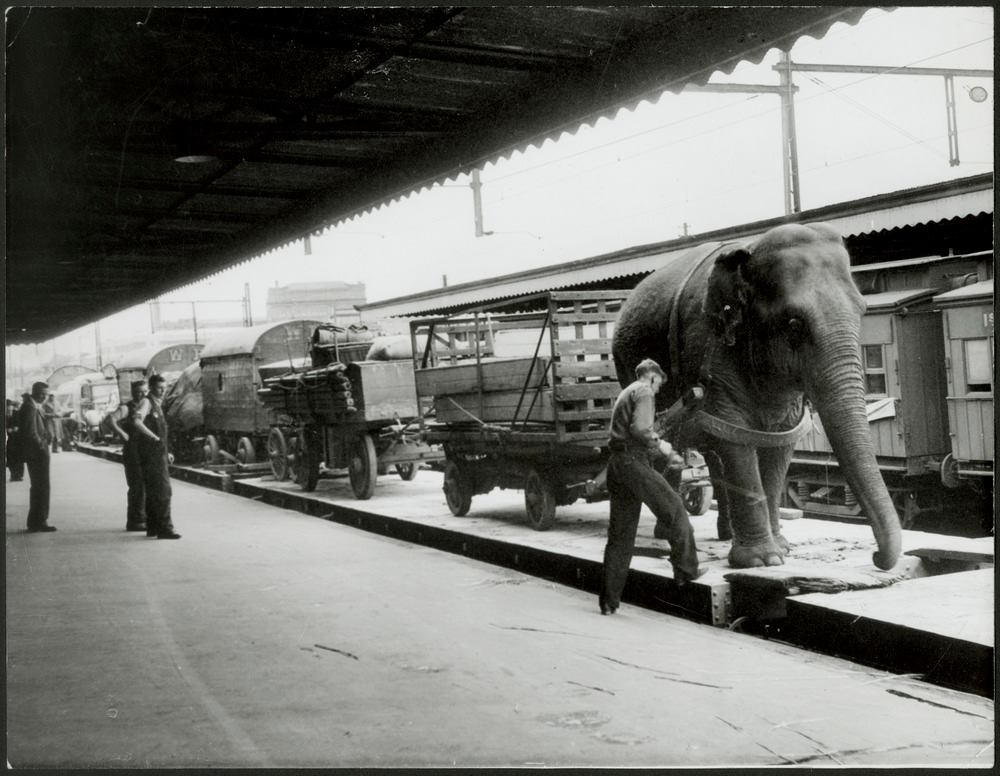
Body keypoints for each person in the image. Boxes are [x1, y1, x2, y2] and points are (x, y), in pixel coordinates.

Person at [599, 358, 702, 615]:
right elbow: (641, 429)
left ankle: (609, 602)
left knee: (620, 536)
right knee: (675, 510)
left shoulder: (626, 392)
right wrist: (666, 449)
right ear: (653, 377)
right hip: (634, 463)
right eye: (658, 386)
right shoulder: (644, 390)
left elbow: (630, 432)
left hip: (618, 465)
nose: (657, 391)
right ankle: (686, 572)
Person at [133, 374, 180, 540]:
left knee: (154, 490)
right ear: (151, 387)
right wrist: (153, 437)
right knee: (163, 490)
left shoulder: (157, 404)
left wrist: (167, 451)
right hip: (152, 452)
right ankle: (165, 529)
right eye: (160, 388)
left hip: (158, 451)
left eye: (164, 387)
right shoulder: (147, 402)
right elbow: (137, 422)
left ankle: (152, 526)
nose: (163, 391)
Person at [106, 380, 148, 532]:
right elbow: (110, 419)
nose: (140, 394)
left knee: (144, 484)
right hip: (133, 450)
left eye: (143, 391)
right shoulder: (126, 407)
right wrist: (122, 433)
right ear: (132, 392)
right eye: (137, 391)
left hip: (145, 449)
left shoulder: (146, 405)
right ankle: (136, 520)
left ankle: (143, 517)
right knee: (137, 485)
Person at [15, 382, 56, 532]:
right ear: (34, 392)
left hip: (35, 452)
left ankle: (36, 521)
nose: (44, 397)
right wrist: (42, 446)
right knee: (42, 487)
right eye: (42, 394)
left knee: (39, 487)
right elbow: (30, 432)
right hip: (37, 453)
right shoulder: (30, 407)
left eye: (46, 394)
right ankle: (39, 522)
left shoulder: (32, 405)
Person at [6, 397, 25, 481]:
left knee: (19, 457)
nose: (8, 408)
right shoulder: (6, 415)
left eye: (9, 406)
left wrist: (16, 428)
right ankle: (13, 474)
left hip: (18, 440)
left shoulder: (16, 413)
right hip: (10, 440)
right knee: (10, 457)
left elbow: (21, 424)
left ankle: (19, 475)